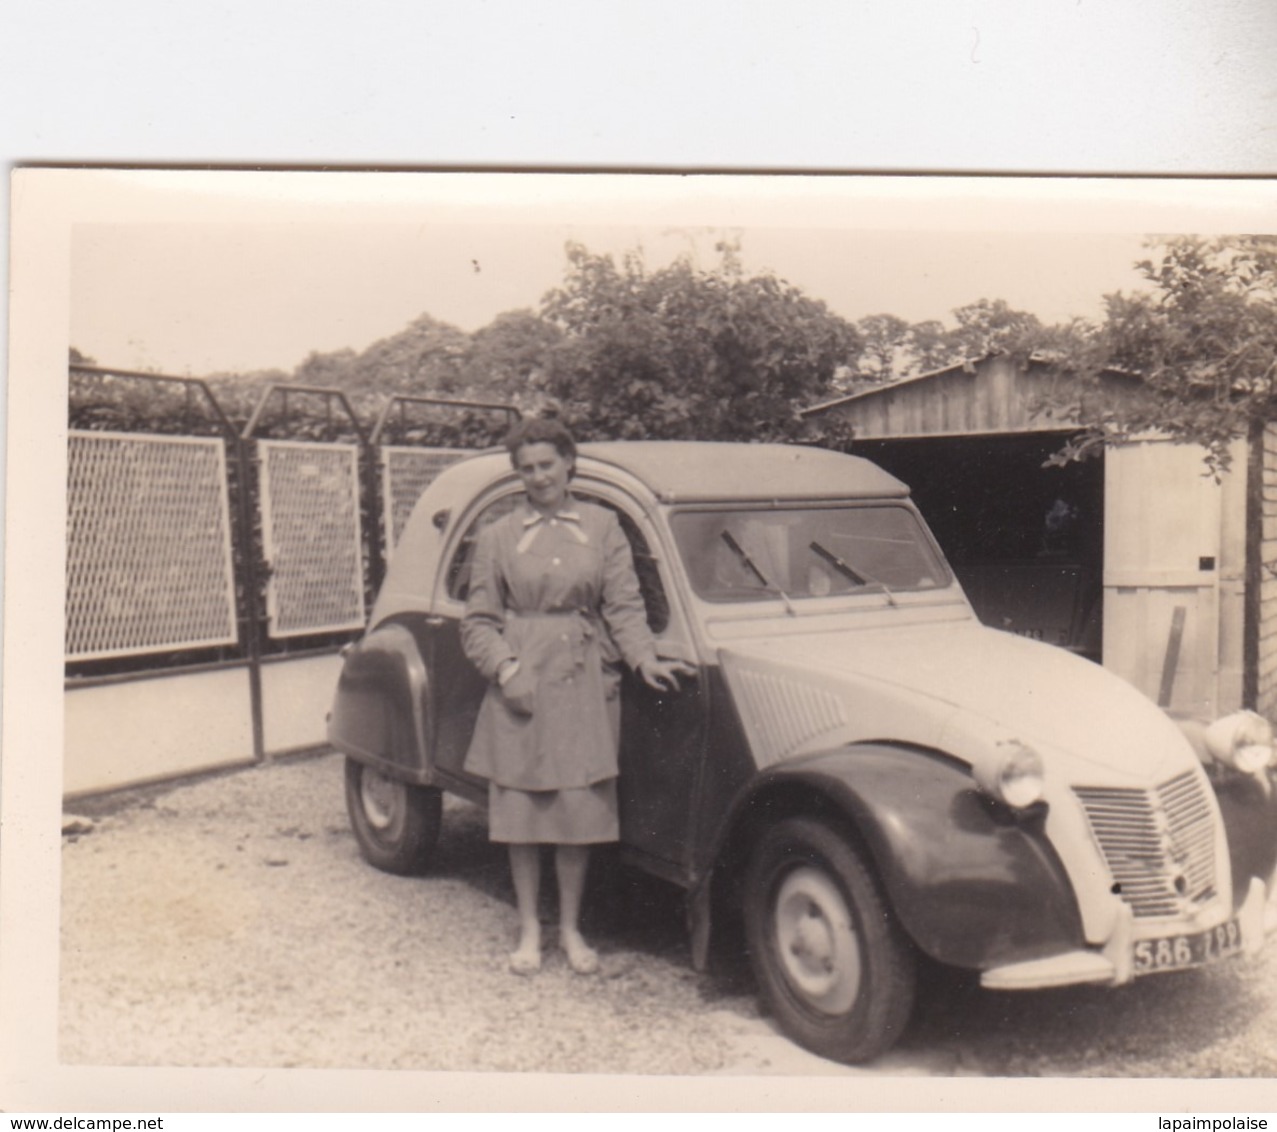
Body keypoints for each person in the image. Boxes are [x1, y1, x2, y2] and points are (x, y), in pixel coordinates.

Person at [460, 419, 693, 976]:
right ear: (517, 476)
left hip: (584, 677)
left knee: (575, 811)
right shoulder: (497, 535)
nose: (538, 477)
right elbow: (478, 623)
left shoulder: (603, 525)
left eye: (546, 464)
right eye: (526, 468)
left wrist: (643, 658)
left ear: (569, 464)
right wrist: (506, 667)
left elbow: (624, 604)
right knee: (521, 812)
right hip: (522, 679)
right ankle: (529, 933)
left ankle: (570, 928)